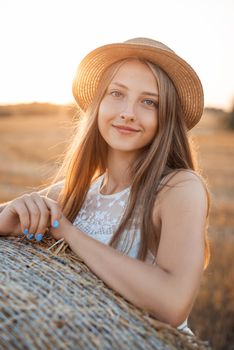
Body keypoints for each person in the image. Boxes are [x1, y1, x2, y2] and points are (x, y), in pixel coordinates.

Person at [0, 37, 210, 336]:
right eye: (116, 93)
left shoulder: (179, 188)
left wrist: (69, 233)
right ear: (98, 104)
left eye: (149, 101)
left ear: (167, 117)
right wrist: (9, 216)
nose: (128, 112)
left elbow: (173, 304)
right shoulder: (77, 190)